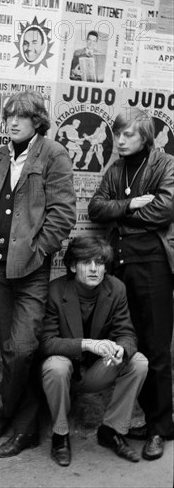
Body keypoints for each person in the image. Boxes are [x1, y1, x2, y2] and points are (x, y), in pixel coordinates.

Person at [0, 90, 76, 458]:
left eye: (21, 117)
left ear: (37, 121)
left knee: (23, 349)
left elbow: (63, 214)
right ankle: (26, 431)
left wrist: (40, 250)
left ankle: (4, 407)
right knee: (8, 347)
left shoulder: (53, 154)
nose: (12, 123)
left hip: (31, 270)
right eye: (8, 117)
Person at [88, 107, 174, 460]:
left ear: (145, 138)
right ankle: (147, 420)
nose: (120, 141)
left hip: (153, 264)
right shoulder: (117, 168)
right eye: (118, 134)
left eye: (127, 135)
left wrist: (124, 214)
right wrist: (128, 205)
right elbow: (95, 207)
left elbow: (166, 208)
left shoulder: (164, 163)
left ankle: (160, 429)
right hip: (121, 264)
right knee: (131, 344)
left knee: (156, 349)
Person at [40, 235, 148, 467]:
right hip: (65, 370)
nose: (94, 269)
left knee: (138, 362)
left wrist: (121, 349)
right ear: (71, 265)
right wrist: (86, 343)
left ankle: (111, 431)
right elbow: (46, 342)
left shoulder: (116, 288)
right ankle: (60, 435)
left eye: (99, 263)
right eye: (86, 262)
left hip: (98, 370)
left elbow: (127, 334)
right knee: (55, 366)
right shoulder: (56, 291)